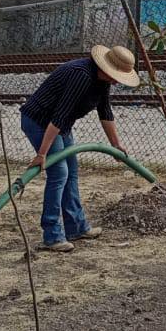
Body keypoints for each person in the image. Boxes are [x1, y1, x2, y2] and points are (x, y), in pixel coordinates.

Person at [21, 44, 140, 253]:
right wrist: (42, 154)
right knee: (59, 173)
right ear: (105, 66)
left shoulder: (102, 81)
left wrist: (115, 144)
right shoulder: (82, 75)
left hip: (60, 125)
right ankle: (52, 236)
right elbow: (59, 115)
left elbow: (105, 111)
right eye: (115, 75)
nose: (116, 80)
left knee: (72, 172)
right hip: (40, 121)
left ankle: (76, 227)